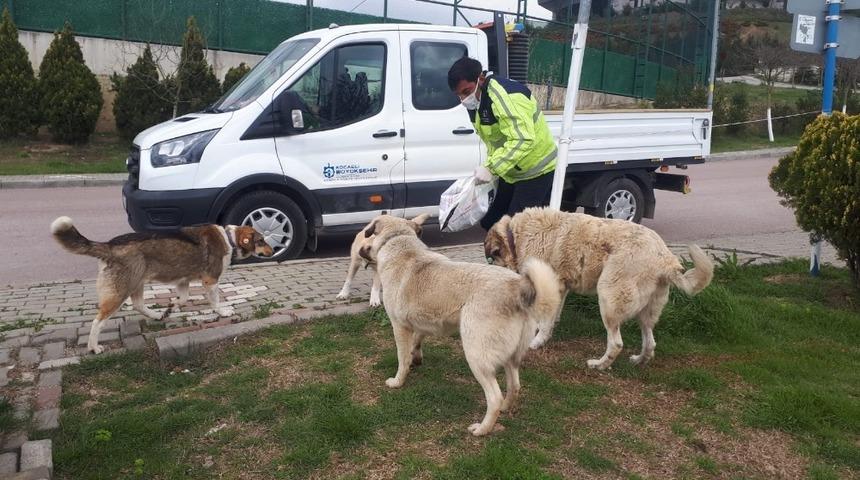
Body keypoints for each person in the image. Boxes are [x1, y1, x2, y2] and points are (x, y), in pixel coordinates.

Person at [448, 57, 558, 231]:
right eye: (459, 95)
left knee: (514, 231)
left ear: (480, 79)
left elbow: (522, 139)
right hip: (511, 171)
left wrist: (491, 168)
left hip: (536, 170)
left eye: (466, 91)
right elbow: (496, 140)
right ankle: (498, 258)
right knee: (490, 222)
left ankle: (521, 258)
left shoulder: (504, 96)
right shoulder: (477, 101)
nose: (463, 99)